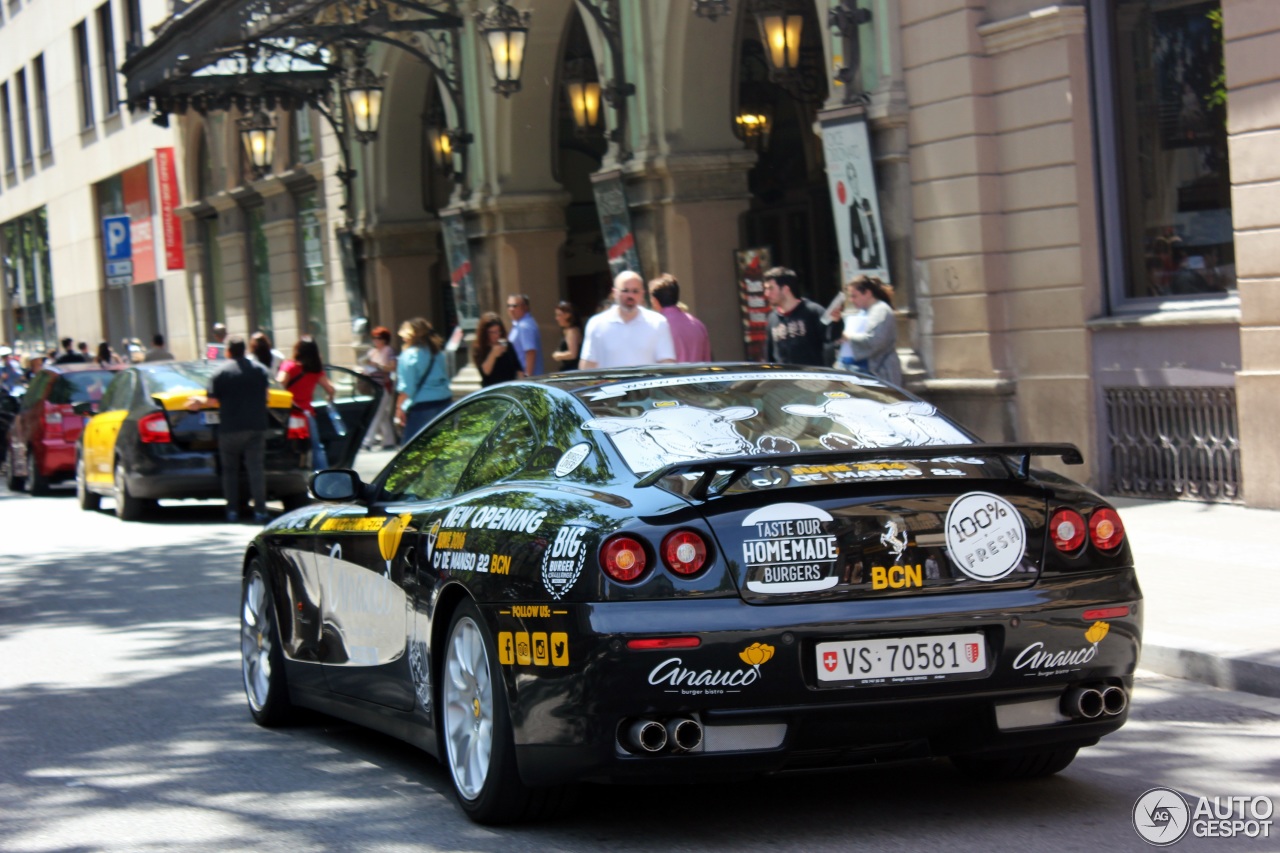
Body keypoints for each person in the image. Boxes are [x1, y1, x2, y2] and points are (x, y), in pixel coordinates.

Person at [184, 336, 271, 523]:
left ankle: (232, 511)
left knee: (230, 470)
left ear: (228, 351)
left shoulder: (220, 373)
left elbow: (213, 401)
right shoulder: (260, 370)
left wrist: (198, 402)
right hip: (256, 426)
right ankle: (261, 511)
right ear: (245, 349)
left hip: (230, 428)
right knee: (256, 469)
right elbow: (267, 397)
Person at [579, 271, 677, 369]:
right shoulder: (596, 323)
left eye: (635, 291)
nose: (630, 296)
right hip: (609, 384)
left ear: (642, 294)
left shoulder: (658, 322)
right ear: (615, 293)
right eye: (625, 290)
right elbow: (587, 366)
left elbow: (667, 364)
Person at [277, 336, 336, 470]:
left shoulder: (289, 366)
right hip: (307, 415)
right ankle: (322, 476)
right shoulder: (316, 370)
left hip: (290, 415)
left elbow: (279, 384)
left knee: (290, 447)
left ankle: (293, 473)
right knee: (315, 447)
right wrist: (329, 399)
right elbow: (331, 389)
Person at [394, 317, 451, 445]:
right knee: (442, 447)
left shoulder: (408, 356)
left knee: (412, 452)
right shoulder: (438, 353)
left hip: (422, 408)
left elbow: (407, 389)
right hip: (444, 403)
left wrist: (399, 409)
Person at [841, 275, 902, 385]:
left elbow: (874, 340)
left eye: (854, 296)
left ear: (868, 293)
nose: (851, 300)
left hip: (883, 374)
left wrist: (848, 337)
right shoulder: (866, 311)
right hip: (872, 374)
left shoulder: (880, 310)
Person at [763, 267, 828, 366]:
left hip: (811, 377)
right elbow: (769, 355)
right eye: (766, 289)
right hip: (784, 379)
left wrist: (837, 321)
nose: (766, 293)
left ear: (785, 289)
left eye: (771, 288)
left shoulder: (813, 311)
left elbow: (831, 337)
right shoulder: (772, 319)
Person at [649, 273, 711, 363]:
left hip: (671, 377)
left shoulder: (656, 328)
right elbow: (707, 363)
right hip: (698, 376)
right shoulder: (698, 325)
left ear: (655, 301)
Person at [360, 326, 398, 450]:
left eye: (379, 338)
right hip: (373, 386)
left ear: (385, 339)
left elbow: (392, 367)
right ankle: (389, 440)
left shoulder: (388, 350)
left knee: (377, 413)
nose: (376, 341)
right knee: (383, 414)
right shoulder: (372, 352)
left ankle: (367, 441)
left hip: (383, 386)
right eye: (374, 338)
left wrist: (378, 366)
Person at [474, 312, 524, 387]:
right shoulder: (479, 349)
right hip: (493, 391)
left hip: (510, 388)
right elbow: (485, 372)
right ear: (485, 333)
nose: (496, 335)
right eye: (492, 332)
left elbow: (519, 370)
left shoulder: (508, 345)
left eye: (498, 331)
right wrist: (493, 354)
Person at [505, 294, 544, 377]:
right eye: (508, 306)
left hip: (526, 377)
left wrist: (527, 377)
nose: (511, 309)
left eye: (515, 306)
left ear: (525, 307)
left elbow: (530, 352)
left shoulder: (524, 326)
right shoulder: (519, 324)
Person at [550, 301, 582, 371]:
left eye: (559, 315)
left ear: (568, 315)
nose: (557, 318)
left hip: (573, 370)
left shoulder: (572, 331)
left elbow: (573, 354)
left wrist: (558, 355)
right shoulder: (568, 330)